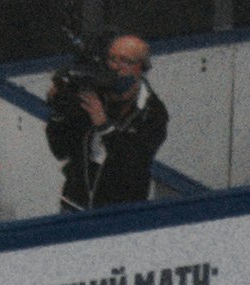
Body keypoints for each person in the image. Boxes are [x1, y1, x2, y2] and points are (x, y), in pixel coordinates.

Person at [47, 37, 170, 213]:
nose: (116, 67)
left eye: (126, 61)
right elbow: (60, 149)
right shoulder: (91, 92)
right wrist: (59, 113)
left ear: (142, 67)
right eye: (112, 59)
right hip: (75, 204)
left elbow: (132, 164)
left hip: (122, 210)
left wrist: (104, 126)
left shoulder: (153, 112)